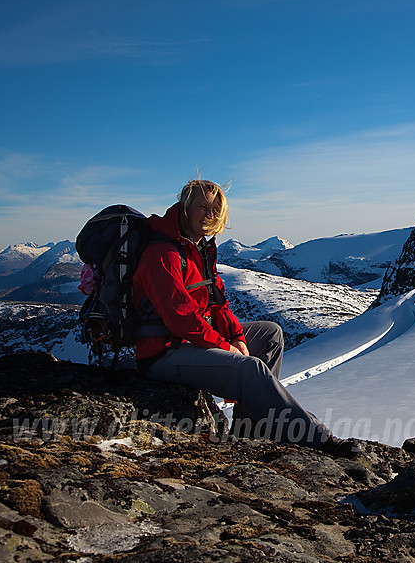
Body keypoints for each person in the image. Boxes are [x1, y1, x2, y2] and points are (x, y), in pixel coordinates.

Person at [132, 179, 357, 455]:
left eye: (216, 208)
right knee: (250, 368)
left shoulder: (199, 249)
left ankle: (251, 430)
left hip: (188, 341)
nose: (210, 214)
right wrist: (224, 346)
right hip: (163, 353)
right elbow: (181, 318)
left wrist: (237, 337)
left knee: (271, 334)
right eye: (202, 206)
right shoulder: (162, 254)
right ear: (184, 208)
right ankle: (319, 440)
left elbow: (218, 305)